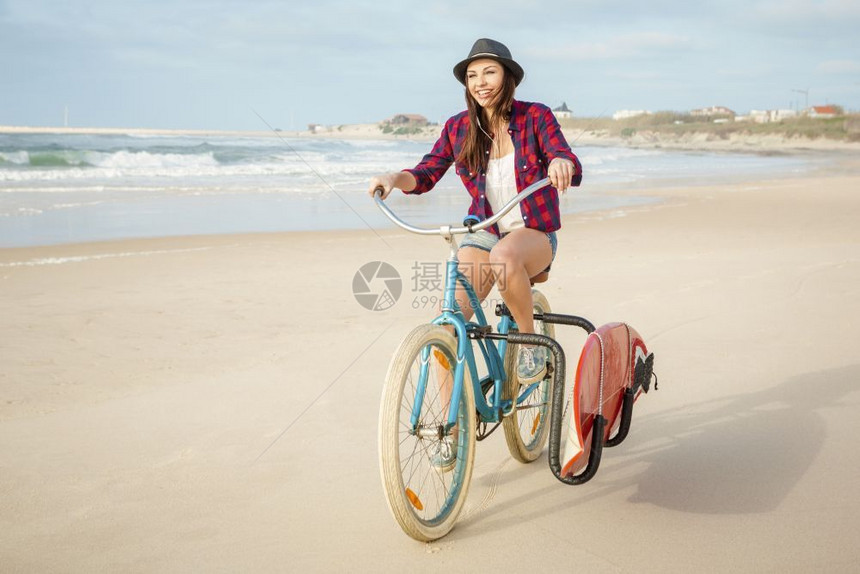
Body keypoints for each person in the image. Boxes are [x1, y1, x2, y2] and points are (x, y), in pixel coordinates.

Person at [369, 38, 582, 385]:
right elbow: (426, 173)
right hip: (484, 230)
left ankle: (530, 346)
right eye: (472, 75)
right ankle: (450, 433)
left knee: (504, 254)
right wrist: (394, 177)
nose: (480, 82)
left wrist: (560, 161)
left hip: (534, 233)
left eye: (489, 72)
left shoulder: (536, 116)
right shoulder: (458, 127)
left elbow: (563, 154)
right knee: (447, 325)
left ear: (507, 77)